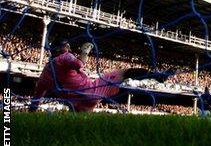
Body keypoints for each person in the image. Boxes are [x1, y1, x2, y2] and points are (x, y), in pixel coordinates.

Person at [29, 40, 166, 112]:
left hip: (74, 102)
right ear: (60, 49)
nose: (69, 49)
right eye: (67, 46)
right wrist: (85, 51)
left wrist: (32, 112)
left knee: (78, 125)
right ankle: (155, 75)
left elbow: (37, 96)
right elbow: (79, 64)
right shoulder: (63, 57)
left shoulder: (44, 75)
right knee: (123, 72)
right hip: (91, 91)